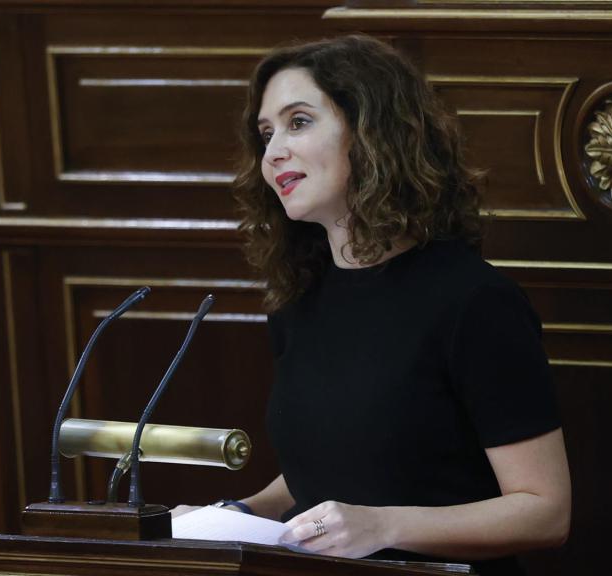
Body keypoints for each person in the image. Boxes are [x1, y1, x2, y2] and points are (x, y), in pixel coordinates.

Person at [186, 35, 571, 575]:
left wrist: (385, 525)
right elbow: (325, 472)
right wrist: (239, 513)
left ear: (371, 132)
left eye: (298, 122)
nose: (273, 152)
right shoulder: (299, 301)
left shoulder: (474, 301)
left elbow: (544, 512)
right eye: (266, 133)